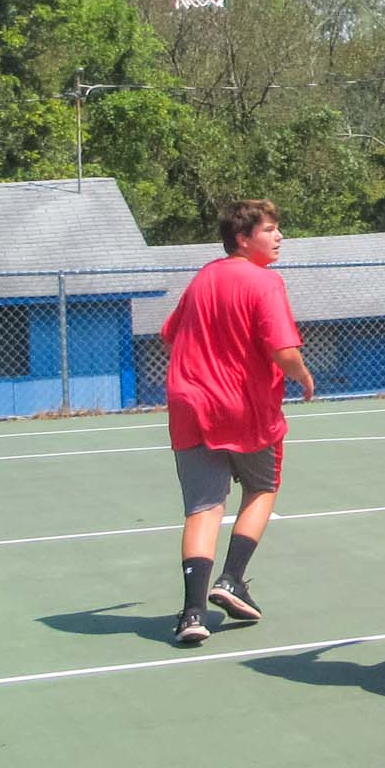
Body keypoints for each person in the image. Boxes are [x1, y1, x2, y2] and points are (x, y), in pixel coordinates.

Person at [159, 200, 316, 646]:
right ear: (243, 239)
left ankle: (193, 612)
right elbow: (282, 350)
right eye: (270, 229)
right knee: (262, 489)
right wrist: (303, 375)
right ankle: (230, 579)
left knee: (204, 507)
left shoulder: (204, 277)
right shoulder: (264, 282)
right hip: (241, 407)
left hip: (189, 401)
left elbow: (170, 333)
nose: (279, 236)